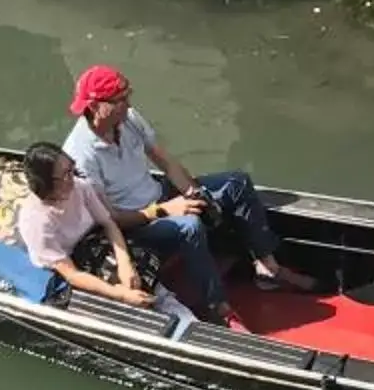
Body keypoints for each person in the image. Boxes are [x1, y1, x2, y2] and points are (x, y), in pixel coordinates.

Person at [61, 64, 306, 324]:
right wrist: (165, 210)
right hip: (136, 223)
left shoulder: (129, 119)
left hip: (159, 195)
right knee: (189, 225)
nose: (128, 104)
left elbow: (165, 162)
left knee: (236, 183)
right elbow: (111, 219)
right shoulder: (80, 154)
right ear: (97, 106)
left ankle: (267, 268)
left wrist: (193, 192)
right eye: (120, 100)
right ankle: (219, 307)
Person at [13, 143, 164, 312]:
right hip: (66, 264)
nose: (71, 178)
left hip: (93, 242)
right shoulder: (37, 222)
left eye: (71, 169)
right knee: (129, 292)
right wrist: (118, 294)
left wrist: (124, 263)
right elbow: (71, 274)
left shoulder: (79, 187)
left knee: (141, 264)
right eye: (64, 175)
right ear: (45, 183)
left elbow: (108, 223)